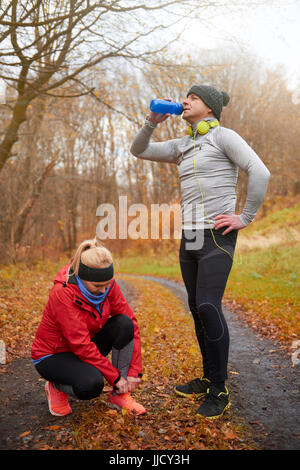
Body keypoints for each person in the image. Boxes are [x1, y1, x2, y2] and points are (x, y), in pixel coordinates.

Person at [130, 85, 270, 419]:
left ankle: (220, 389)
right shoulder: (183, 144)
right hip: (190, 236)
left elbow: (261, 172)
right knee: (195, 307)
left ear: (209, 108)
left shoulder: (224, 136)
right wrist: (151, 121)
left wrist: (245, 217)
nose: (185, 100)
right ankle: (208, 378)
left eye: (193, 97)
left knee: (208, 305)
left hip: (217, 234)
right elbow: (140, 150)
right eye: (186, 97)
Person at [31, 238, 145, 417]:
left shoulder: (107, 285)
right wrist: (115, 377)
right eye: (97, 286)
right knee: (91, 385)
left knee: (124, 323)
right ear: (82, 277)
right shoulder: (63, 293)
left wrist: (134, 372)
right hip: (53, 355)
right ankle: (56, 385)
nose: (103, 291)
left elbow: (132, 322)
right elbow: (80, 344)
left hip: (84, 346)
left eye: (106, 285)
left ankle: (120, 394)